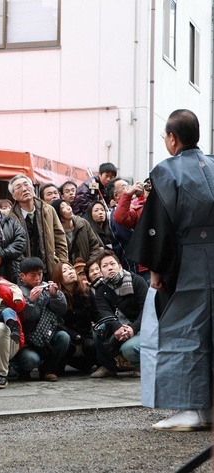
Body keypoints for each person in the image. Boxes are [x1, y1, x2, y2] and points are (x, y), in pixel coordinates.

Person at [128, 109, 214, 431]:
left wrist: (156, 271)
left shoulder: (167, 171)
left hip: (184, 262)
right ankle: (208, 409)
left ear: (173, 138)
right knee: (210, 333)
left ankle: (190, 408)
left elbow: (158, 226)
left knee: (183, 332)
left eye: (166, 136)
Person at [90, 250, 145, 379]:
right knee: (99, 329)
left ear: (119, 266)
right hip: (118, 325)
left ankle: (140, 365)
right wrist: (117, 327)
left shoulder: (137, 281)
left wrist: (133, 328)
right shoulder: (101, 289)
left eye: (112, 264)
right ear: (101, 272)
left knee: (129, 348)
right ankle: (108, 367)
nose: (109, 268)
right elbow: (104, 312)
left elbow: (146, 310)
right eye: (105, 266)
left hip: (139, 326)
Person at [15, 257, 69, 382]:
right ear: (22, 276)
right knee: (30, 359)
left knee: (64, 337)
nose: (37, 278)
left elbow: (62, 310)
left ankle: (48, 369)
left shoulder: (45, 288)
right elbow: (27, 317)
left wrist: (55, 295)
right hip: (29, 339)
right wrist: (30, 301)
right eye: (32, 275)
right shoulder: (17, 291)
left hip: (47, 334)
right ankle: (23, 370)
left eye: (39, 274)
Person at [9, 174, 68, 279]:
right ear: (14, 196)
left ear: (33, 188)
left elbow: (60, 238)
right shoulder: (11, 218)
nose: (24, 189)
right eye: (18, 187)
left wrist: (61, 263)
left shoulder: (48, 210)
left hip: (50, 268)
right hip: (26, 274)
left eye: (26, 185)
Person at [51, 262, 98, 374]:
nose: (70, 272)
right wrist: (77, 339)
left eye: (71, 269)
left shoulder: (86, 291)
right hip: (68, 336)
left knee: (91, 345)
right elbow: (58, 322)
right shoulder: (56, 296)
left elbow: (96, 315)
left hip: (86, 335)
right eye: (65, 271)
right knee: (64, 341)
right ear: (58, 277)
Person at [50, 199, 101, 264]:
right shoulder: (56, 232)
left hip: (88, 266)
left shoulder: (83, 223)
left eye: (67, 205)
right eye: (63, 207)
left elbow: (94, 246)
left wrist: (89, 264)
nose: (68, 208)